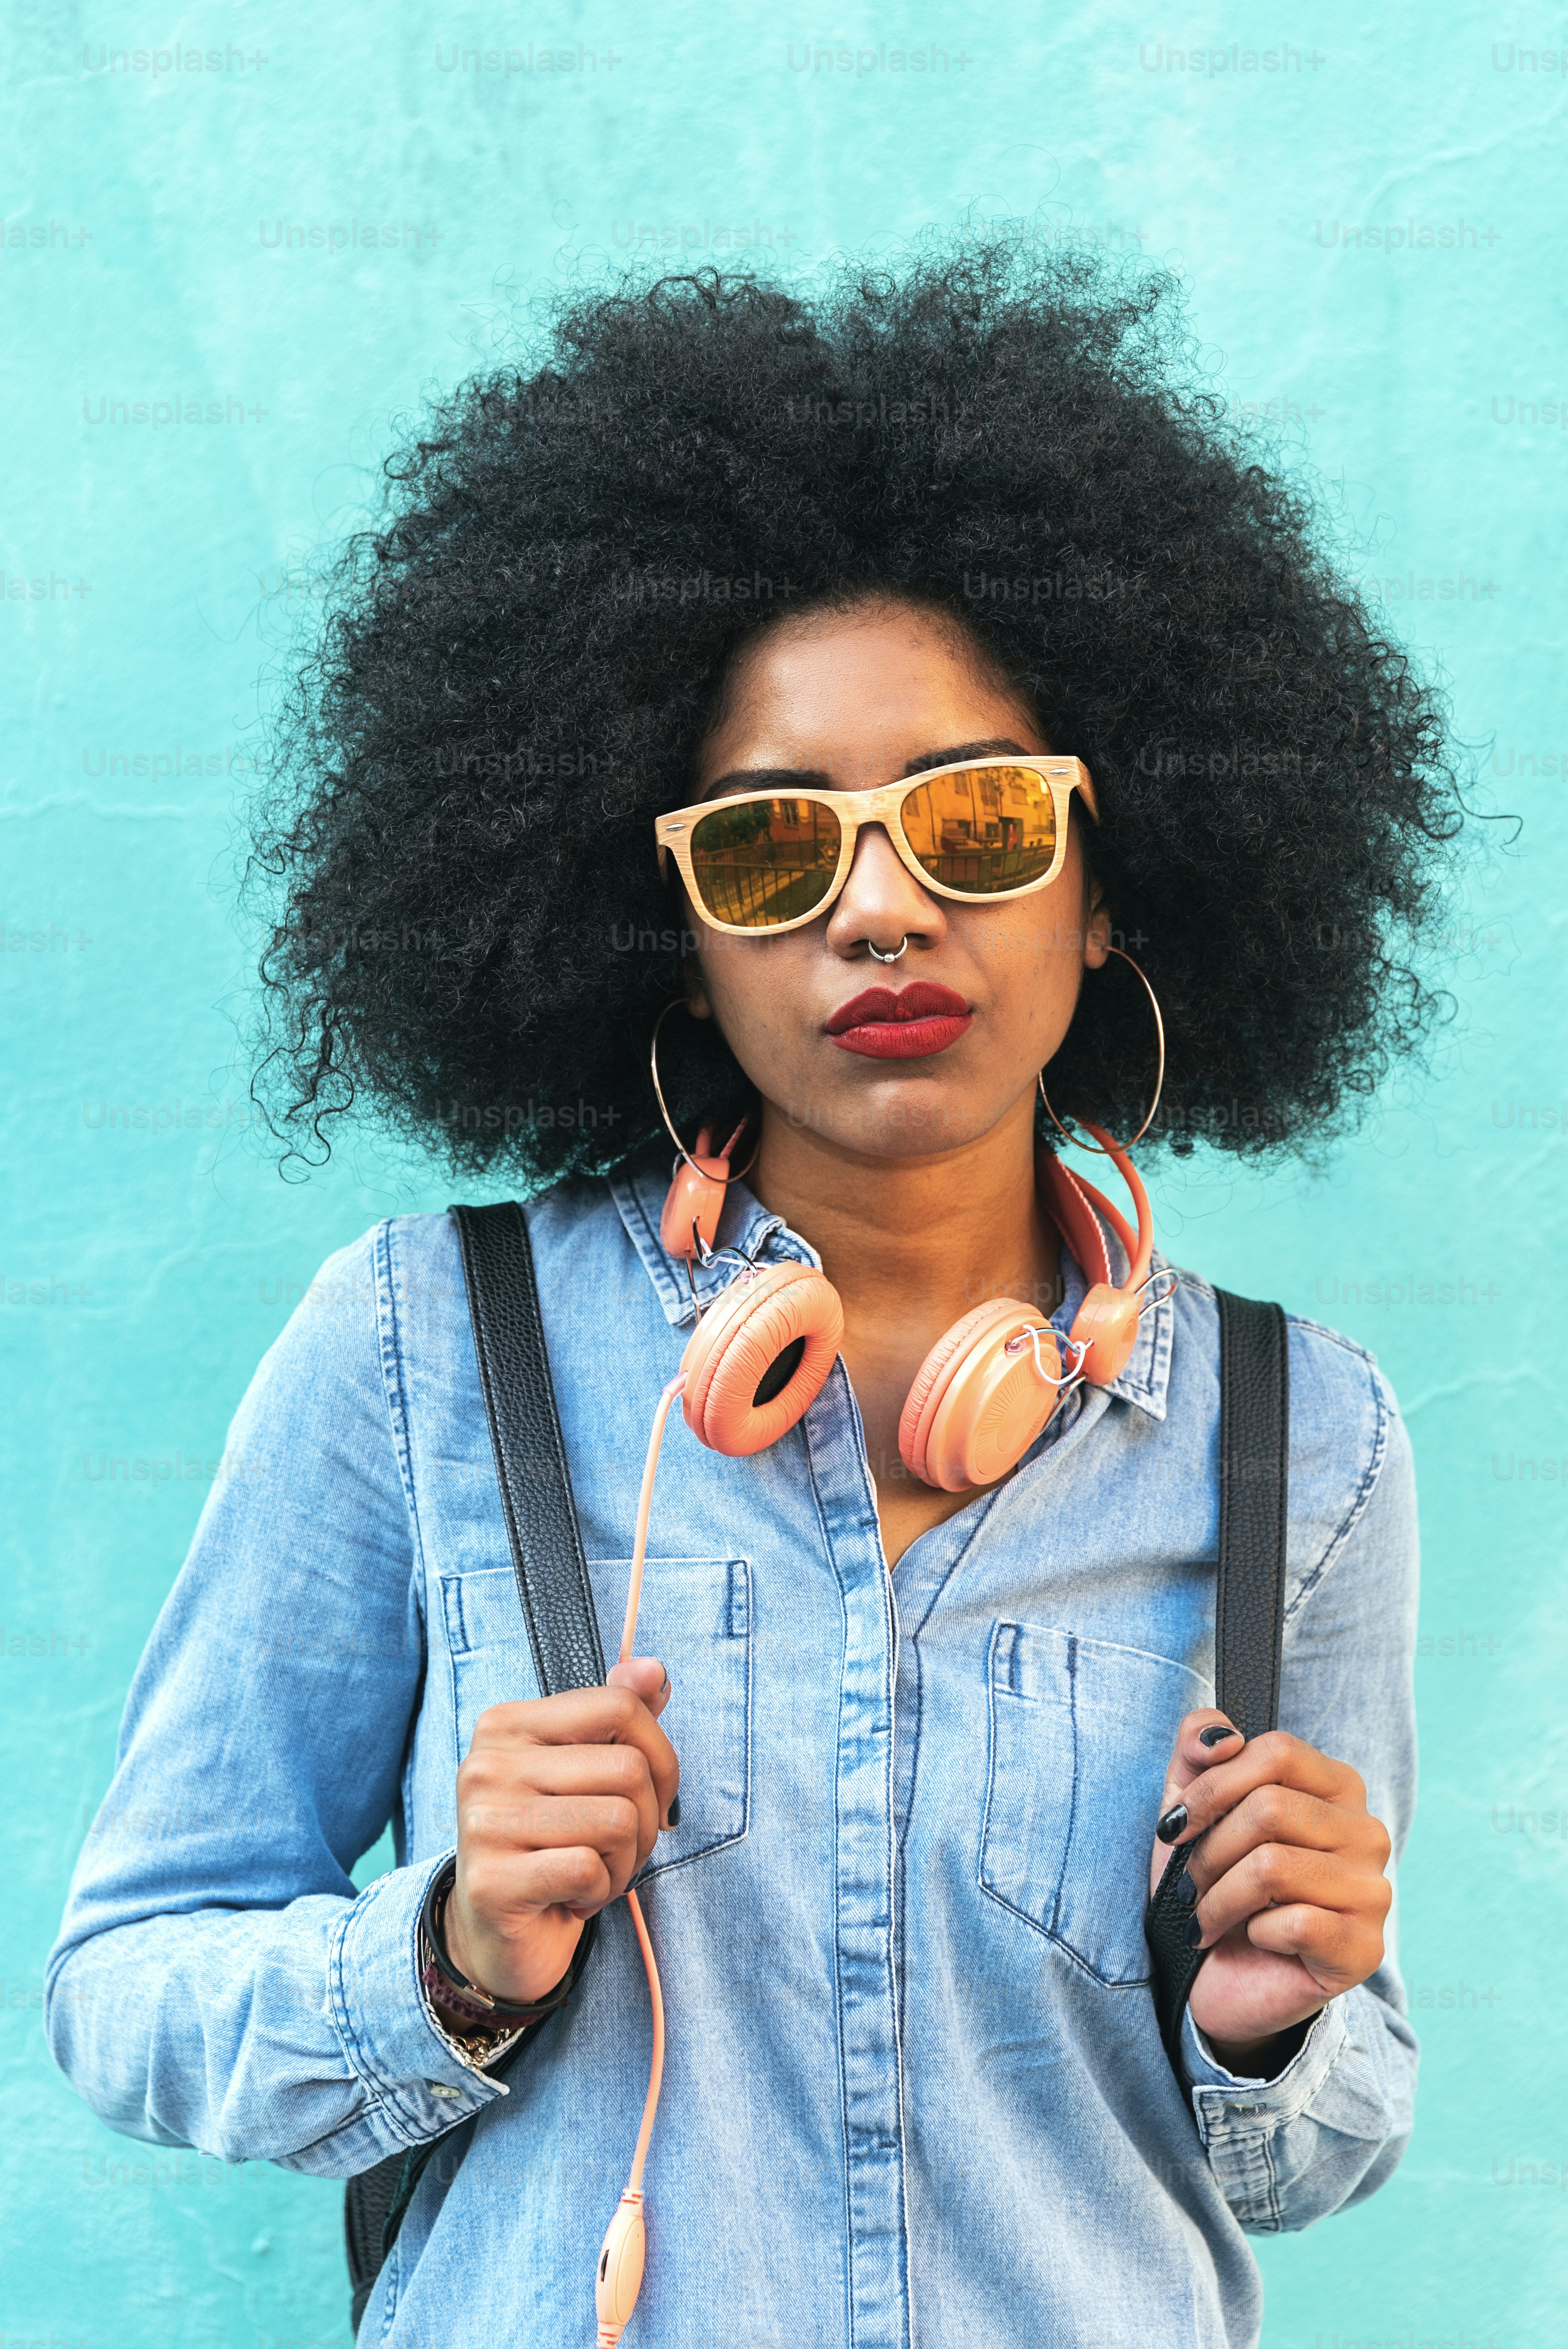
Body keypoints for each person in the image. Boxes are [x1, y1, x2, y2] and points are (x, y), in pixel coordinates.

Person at [46, 246, 1453, 2348]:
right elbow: (124, 1986)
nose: (883, 907)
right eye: (775, 849)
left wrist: (1272, 2024)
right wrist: (447, 1955)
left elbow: (1318, 2144)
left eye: (977, 823)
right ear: (676, 936)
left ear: (1108, 879)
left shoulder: (1300, 1439)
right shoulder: (430, 1352)